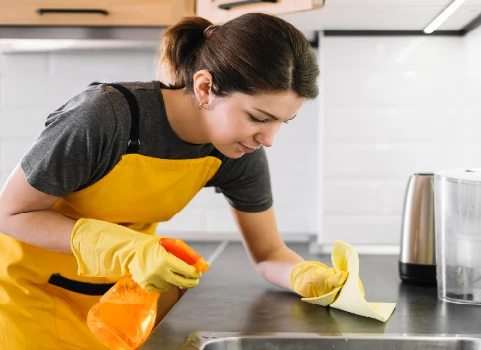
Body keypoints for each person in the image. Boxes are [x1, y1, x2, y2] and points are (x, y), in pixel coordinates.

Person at [0, 13, 350, 350]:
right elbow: (10, 213)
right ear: (205, 87)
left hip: (121, 306)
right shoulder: (105, 117)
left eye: (281, 122)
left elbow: (269, 253)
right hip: (32, 303)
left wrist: (303, 276)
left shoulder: (235, 150)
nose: (268, 138)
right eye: (259, 117)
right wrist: (125, 248)